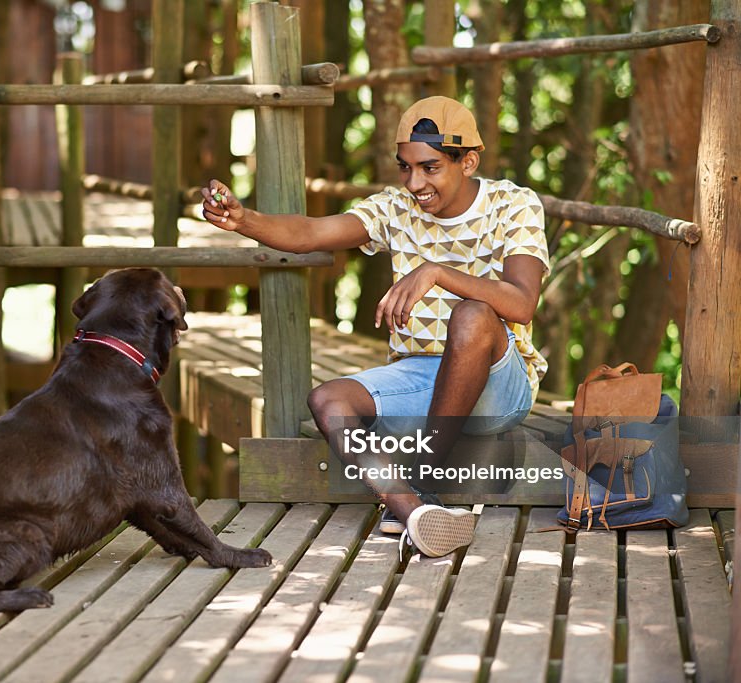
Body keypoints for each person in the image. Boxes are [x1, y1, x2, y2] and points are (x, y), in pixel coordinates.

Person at [201, 96, 549, 557]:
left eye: (429, 168)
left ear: (468, 162)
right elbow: (310, 233)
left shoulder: (513, 204)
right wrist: (245, 220)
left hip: (500, 386)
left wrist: (436, 272)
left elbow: (522, 304)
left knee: (472, 315)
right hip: (423, 379)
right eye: (405, 168)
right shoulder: (395, 209)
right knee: (329, 399)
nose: (414, 182)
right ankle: (411, 510)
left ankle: (423, 480)